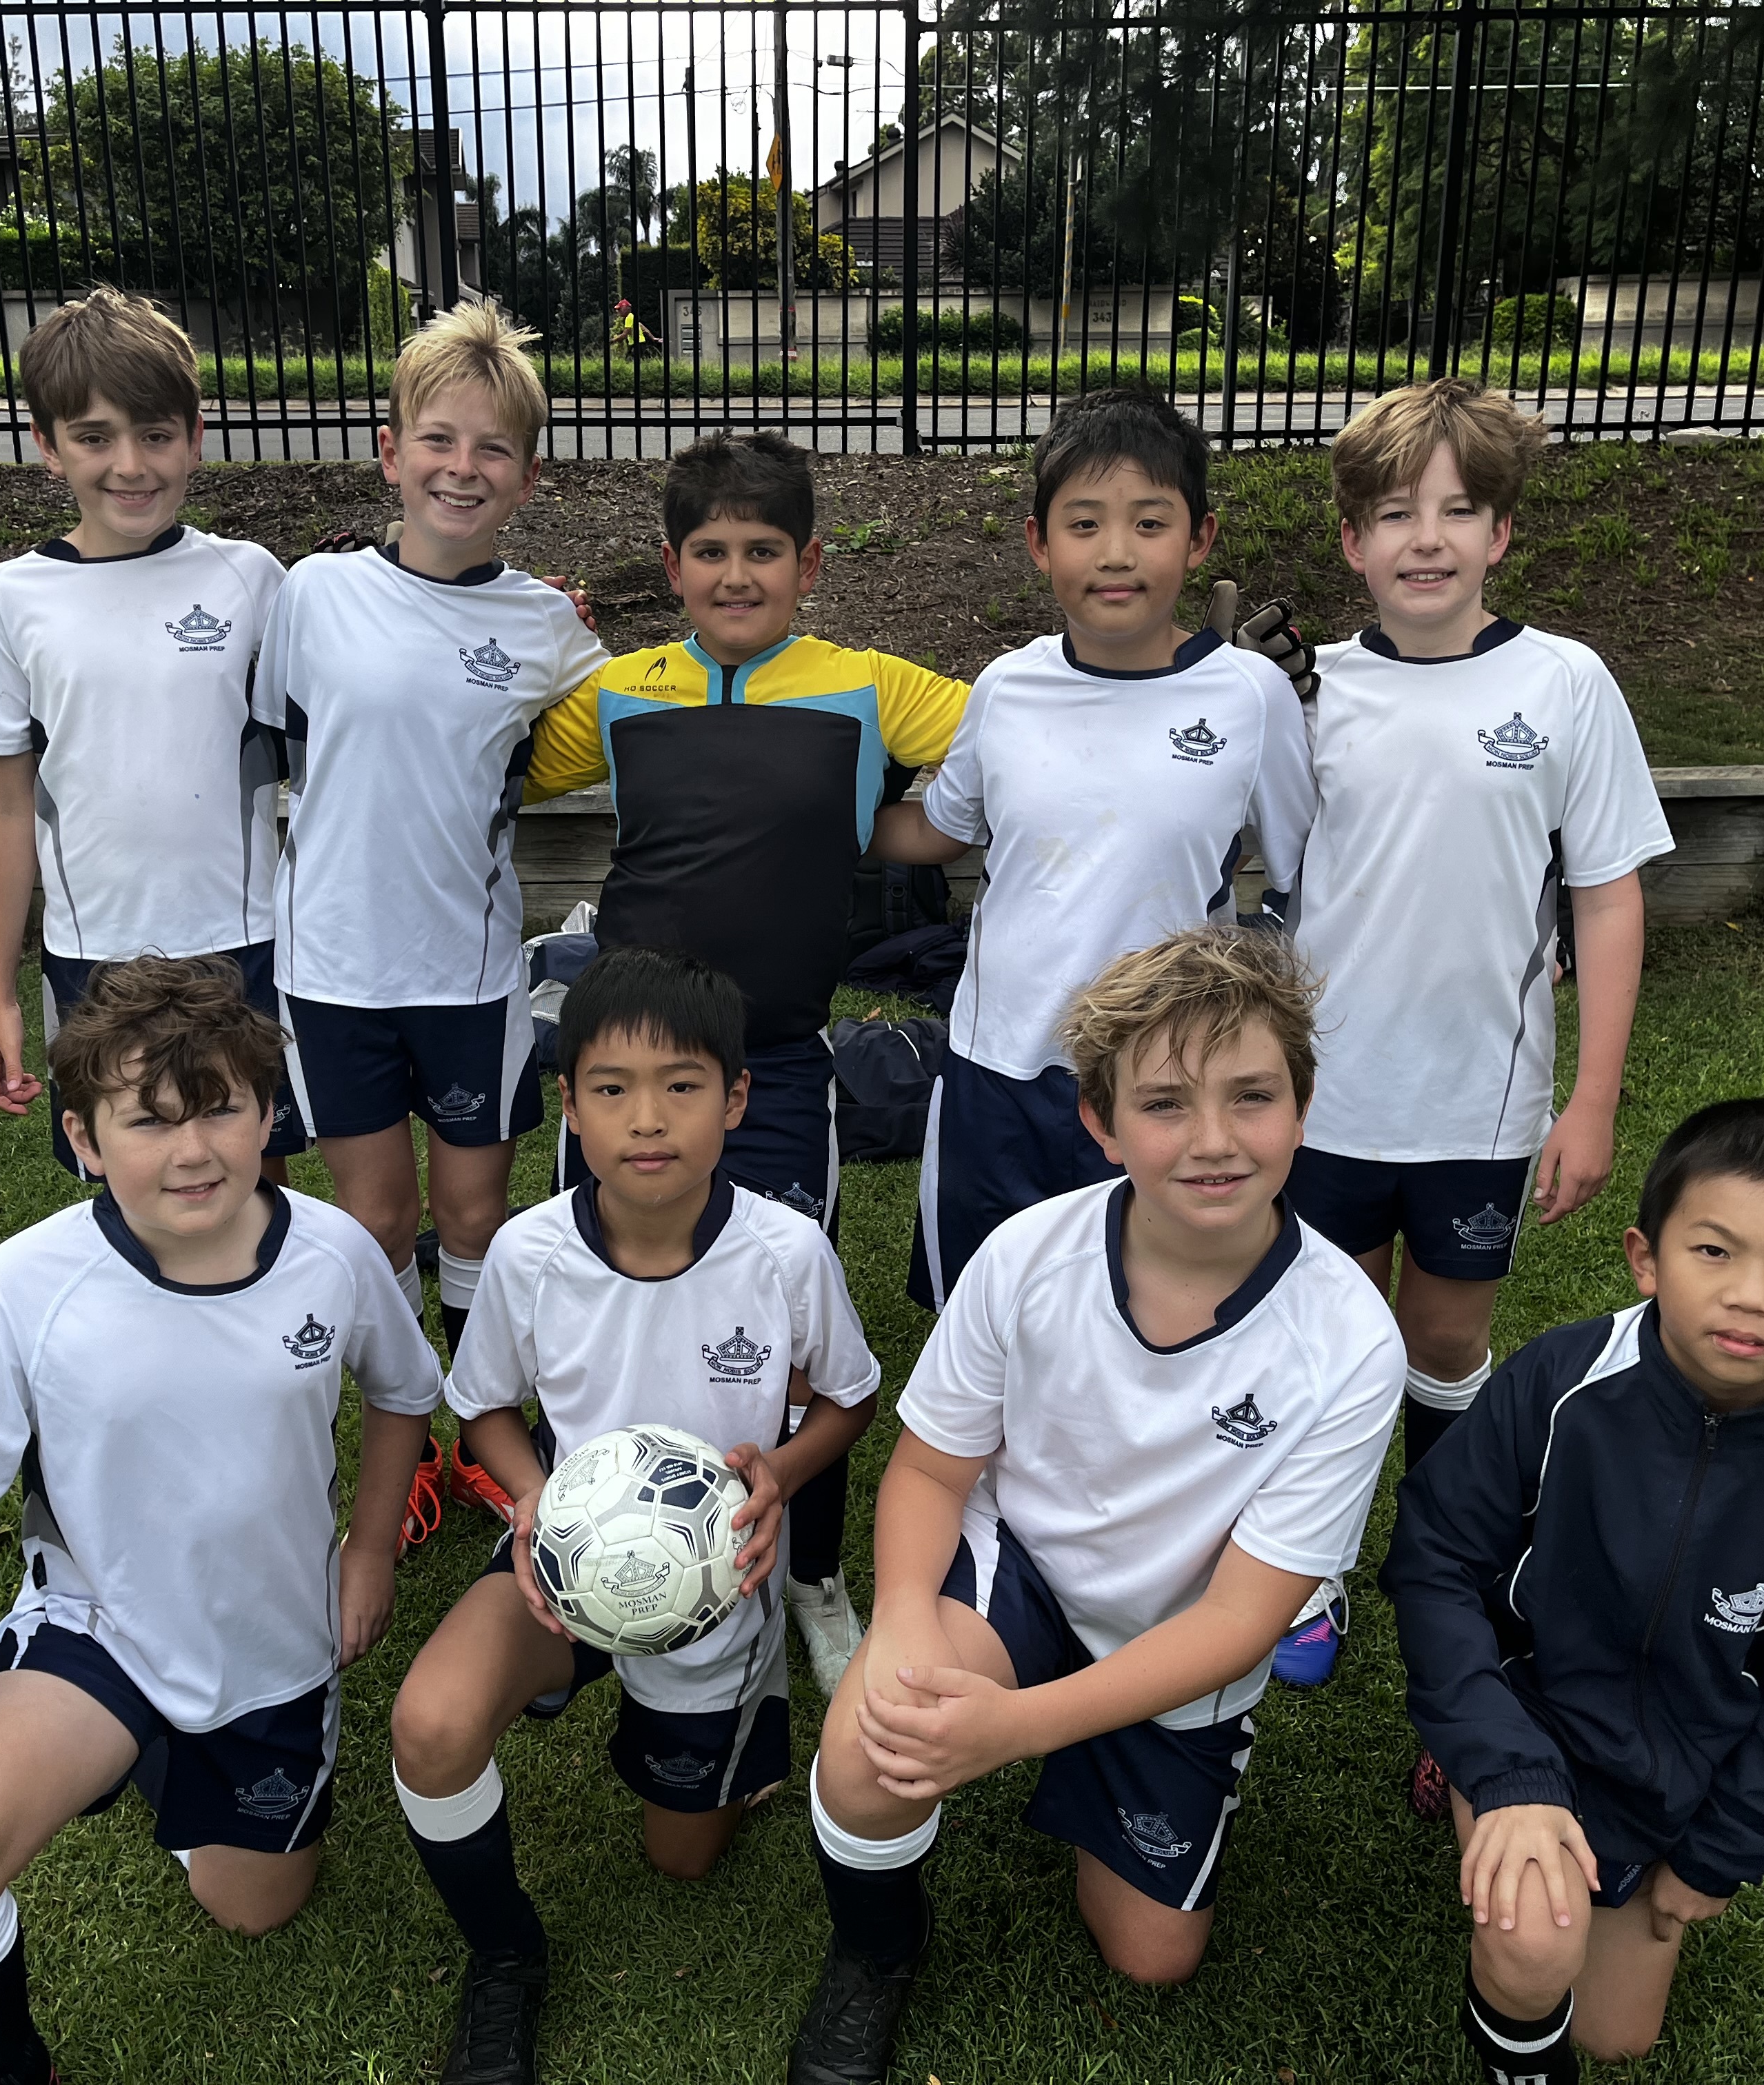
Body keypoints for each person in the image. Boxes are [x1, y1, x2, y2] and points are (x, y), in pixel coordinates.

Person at [787, 926, 1404, 2085]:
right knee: (870, 1746)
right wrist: (906, 1624)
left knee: (1150, 1957)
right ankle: (876, 1950)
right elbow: (930, 1470)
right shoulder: (1029, 1255)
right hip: (1022, 1568)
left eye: (1252, 1095)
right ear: (1101, 1123)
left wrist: (1020, 1728)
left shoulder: (1351, 1342)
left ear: (1304, 1107)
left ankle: (1111, 1744)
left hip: (1183, 1631)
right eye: (1165, 1103)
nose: (1214, 1139)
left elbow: (1241, 1620)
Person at [0, 956, 441, 2084]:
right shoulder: (26, 1287)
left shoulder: (333, 1256)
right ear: (83, 1138)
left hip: (275, 1646)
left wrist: (370, 1549)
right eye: (150, 1120)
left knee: (255, 1907)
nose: (192, 1151)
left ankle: (163, 1765)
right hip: (101, 1631)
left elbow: (404, 1391)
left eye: (221, 1109)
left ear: (269, 1115)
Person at [521, 429, 971, 1689]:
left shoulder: (869, 687)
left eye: (763, 551)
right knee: (602, 1305)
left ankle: (811, 1573)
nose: (736, 575)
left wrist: (882, 824)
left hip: (771, 1067)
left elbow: (1018, 734)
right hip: (627, 1063)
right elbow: (484, 751)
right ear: (672, 566)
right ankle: (585, 1547)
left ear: (809, 564)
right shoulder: (619, 691)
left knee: (787, 1337)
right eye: (710, 551)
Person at [389, 946, 881, 2085]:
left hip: (715, 1584)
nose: (647, 1119)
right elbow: (485, 1409)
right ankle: (504, 1956)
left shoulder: (785, 1253)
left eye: (682, 1086)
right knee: (430, 1725)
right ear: (570, 1106)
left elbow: (850, 1398)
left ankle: (737, 1719)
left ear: (737, 1100)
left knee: (684, 1858)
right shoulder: (528, 1253)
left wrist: (781, 1474)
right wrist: (533, 1502)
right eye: (612, 1088)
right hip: (560, 1561)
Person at [1279, 379, 1673, 1706]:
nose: (1427, 538)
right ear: (1353, 541)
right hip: (1321, 1101)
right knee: (1332, 1339)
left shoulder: (1565, 683)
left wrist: (1593, 1100)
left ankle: (1443, 1561)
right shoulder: (1308, 694)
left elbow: (1606, 893)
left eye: (1458, 510)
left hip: (1478, 1105)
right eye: (1396, 513)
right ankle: (1315, 1565)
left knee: (1443, 1346)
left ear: (1501, 532)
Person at [1379, 1099, 1764, 2082]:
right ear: (1646, 1259)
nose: (1751, 1295)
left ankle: (1589, 1846)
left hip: (1678, 1770)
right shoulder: (1561, 1380)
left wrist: (1722, 1852)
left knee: (1616, 2035)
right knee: (1535, 1944)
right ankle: (1468, 1777)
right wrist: (1503, 1764)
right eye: (1714, 1251)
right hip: (1531, 1717)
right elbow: (1434, 1558)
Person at [870, 390, 1315, 1320]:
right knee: (988, 1320)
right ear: (1040, 543)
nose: (1116, 553)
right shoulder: (1006, 688)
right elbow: (938, 832)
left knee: (1146, 1316)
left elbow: (1307, 869)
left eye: (1149, 523)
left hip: (1165, 1081)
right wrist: (813, 814)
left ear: (1198, 539)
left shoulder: (1250, 697)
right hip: (998, 1067)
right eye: (1085, 524)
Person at [253, 299, 610, 1367]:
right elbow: (269, 751)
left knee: (472, 1218)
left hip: (467, 972)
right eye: (438, 440)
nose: (462, 468)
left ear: (528, 476)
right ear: (390, 452)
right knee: (374, 1222)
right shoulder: (314, 594)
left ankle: (475, 1412)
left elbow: (623, 730)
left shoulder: (548, 625)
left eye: (492, 449)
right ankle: (405, 1422)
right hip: (332, 969)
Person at [0, 286, 305, 1185]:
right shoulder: (10, 598)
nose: (130, 465)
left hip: (241, 941)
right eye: (94, 437)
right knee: (124, 1185)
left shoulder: (252, 580)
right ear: (48, 446)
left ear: (196, 436)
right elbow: (7, 806)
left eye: (156, 435)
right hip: (95, 953)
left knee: (251, 1177)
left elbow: (347, 710)